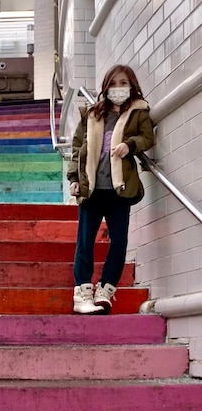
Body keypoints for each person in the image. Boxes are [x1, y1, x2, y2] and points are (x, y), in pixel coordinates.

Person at [67, 65, 154, 314]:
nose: (118, 88)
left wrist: (130, 144)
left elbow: (148, 138)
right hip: (91, 188)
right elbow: (77, 149)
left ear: (131, 85)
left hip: (120, 189)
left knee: (119, 242)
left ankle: (105, 290)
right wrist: (74, 177)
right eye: (114, 83)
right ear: (106, 86)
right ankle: (82, 293)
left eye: (123, 82)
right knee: (85, 241)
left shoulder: (138, 113)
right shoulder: (91, 114)